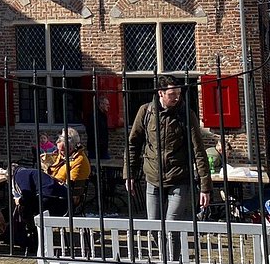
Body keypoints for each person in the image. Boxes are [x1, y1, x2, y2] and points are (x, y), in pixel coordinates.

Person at [124, 77, 212, 224]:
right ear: (160, 93)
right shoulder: (146, 111)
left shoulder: (186, 114)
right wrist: (129, 173)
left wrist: (205, 187)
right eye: (172, 94)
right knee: (154, 226)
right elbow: (133, 144)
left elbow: (199, 151)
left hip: (179, 178)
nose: (176, 97)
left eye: (178, 93)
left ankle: (172, 241)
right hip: (153, 177)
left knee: (172, 227)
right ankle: (159, 241)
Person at [87, 94, 112, 161]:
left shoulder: (104, 116)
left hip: (103, 148)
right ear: (101, 104)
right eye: (107, 104)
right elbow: (91, 131)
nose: (108, 106)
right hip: (95, 148)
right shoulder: (94, 116)